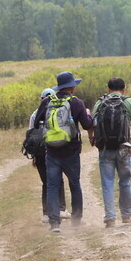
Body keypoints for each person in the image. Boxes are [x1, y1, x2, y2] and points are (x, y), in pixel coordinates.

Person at [33, 71, 93, 232]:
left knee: (52, 186)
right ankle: (76, 220)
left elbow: (37, 122)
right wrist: (88, 114)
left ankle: (54, 223)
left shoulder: (47, 101)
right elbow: (87, 125)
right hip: (71, 152)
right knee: (75, 184)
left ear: (59, 87)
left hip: (51, 152)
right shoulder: (77, 103)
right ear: (72, 86)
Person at [91, 77, 131, 227]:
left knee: (107, 183)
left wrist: (93, 138)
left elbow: (92, 123)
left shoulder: (100, 102)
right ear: (124, 89)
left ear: (108, 89)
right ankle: (126, 216)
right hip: (124, 148)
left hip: (105, 149)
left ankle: (110, 217)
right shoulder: (129, 102)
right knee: (125, 182)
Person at [28, 88, 68, 223]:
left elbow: (31, 136)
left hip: (40, 152)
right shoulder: (59, 111)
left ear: (41, 99)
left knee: (46, 183)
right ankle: (61, 209)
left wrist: (33, 156)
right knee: (59, 180)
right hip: (55, 150)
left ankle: (47, 213)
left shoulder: (35, 115)